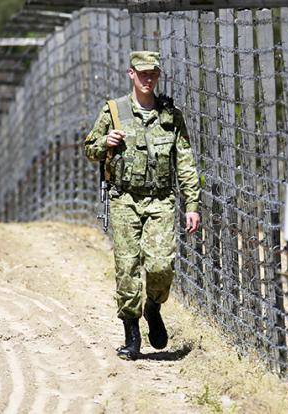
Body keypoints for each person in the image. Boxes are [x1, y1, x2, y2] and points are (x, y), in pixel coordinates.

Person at [84, 51, 201, 360]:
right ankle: (131, 335)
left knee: (161, 265)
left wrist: (192, 205)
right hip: (124, 199)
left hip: (161, 200)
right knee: (127, 268)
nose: (148, 79)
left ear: (158, 75)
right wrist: (105, 142)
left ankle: (153, 307)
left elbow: (185, 163)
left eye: (153, 73)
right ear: (130, 74)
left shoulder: (170, 115)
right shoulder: (114, 112)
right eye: (142, 73)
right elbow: (89, 150)